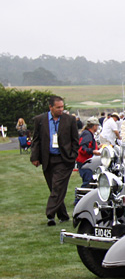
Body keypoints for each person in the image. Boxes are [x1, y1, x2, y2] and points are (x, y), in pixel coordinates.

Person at [30, 95, 79, 225]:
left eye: (62, 107)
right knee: (54, 188)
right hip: (48, 159)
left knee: (57, 187)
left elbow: (75, 140)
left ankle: (50, 215)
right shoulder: (40, 120)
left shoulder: (70, 120)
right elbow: (36, 140)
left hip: (64, 160)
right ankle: (63, 215)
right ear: (50, 107)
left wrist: (73, 155)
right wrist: (34, 157)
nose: (61, 109)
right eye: (58, 107)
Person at [77, 117, 101, 185]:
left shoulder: (87, 133)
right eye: (97, 126)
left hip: (85, 161)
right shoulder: (87, 134)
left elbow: (88, 145)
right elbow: (82, 149)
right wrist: (93, 151)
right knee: (87, 182)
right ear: (94, 126)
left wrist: (97, 147)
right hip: (85, 162)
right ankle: (82, 195)